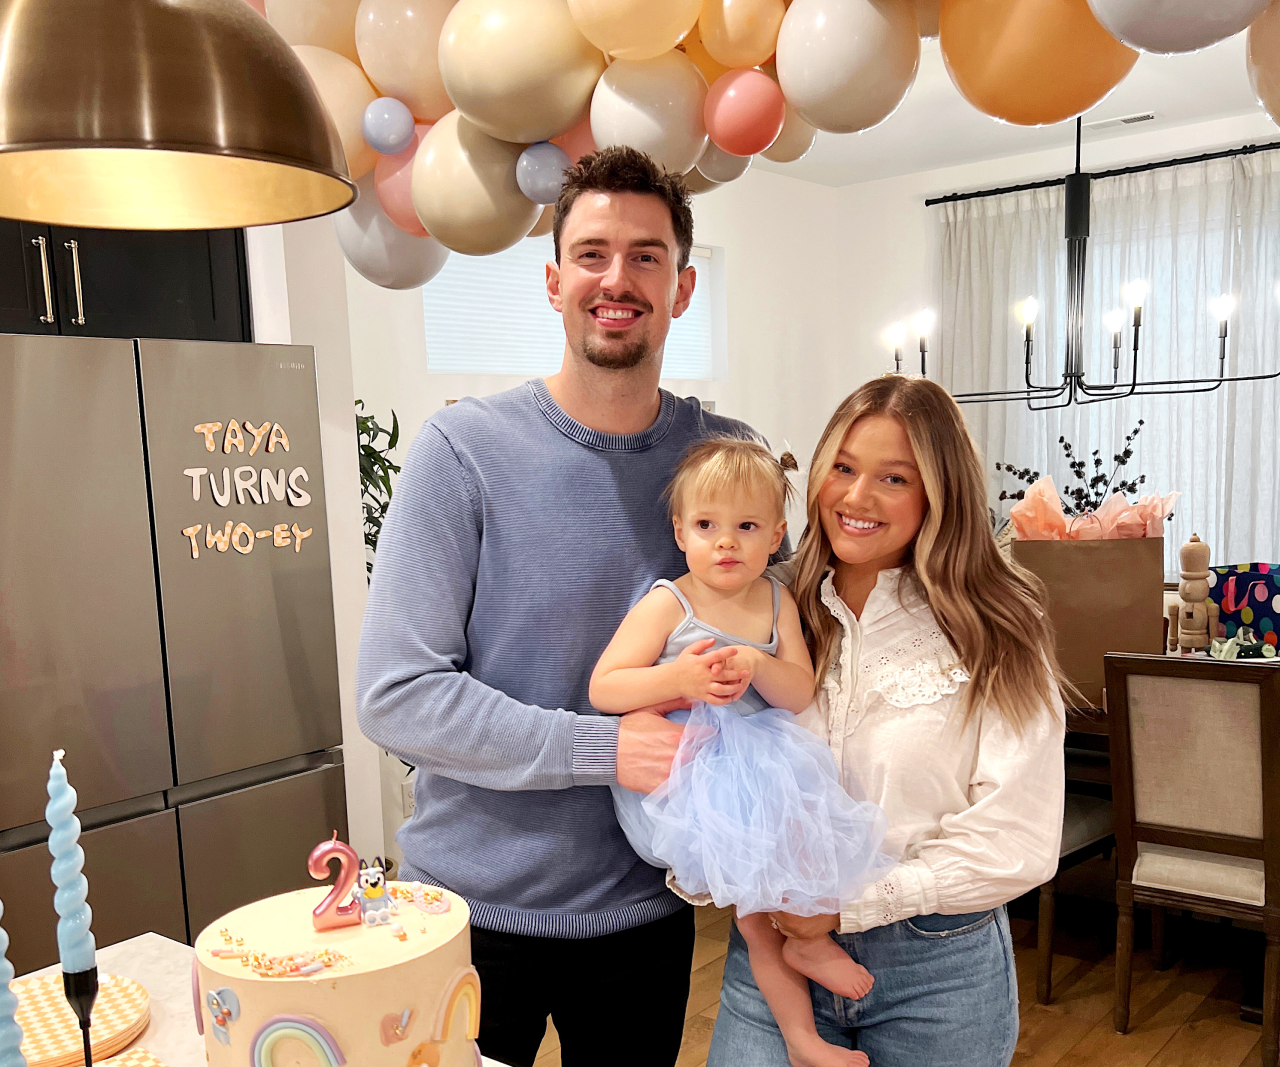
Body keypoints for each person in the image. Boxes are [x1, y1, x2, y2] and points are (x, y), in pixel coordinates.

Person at [356, 146, 774, 1067]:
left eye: (645, 255)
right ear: (552, 282)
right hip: (465, 918)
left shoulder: (726, 464)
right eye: (591, 253)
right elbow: (398, 693)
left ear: (684, 285)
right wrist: (599, 748)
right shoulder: (461, 451)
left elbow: (787, 637)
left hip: (645, 913)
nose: (616, 278)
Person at [707, 375, 1067, 1067]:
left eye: (892, 478)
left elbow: (1017, 835)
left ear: (939, 493)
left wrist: (843, 908)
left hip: (937, 969)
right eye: (842, 467)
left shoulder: (998, 625)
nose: (855, 497)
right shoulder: (766, 602)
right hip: (772, 958)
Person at [590, 436, 890, 1067]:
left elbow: (798, 691)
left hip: (765, 761)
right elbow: (606, 687)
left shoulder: (777, 601)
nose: (725, 543)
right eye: (707, 526)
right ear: (680, 532)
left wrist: (756, 662)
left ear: (777, 534)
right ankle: (803, 1037)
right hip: (691, 769)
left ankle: (808, 949)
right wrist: (678, 680)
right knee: (755, 912)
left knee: (809, 855)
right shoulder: (668, 602)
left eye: (746, 527)